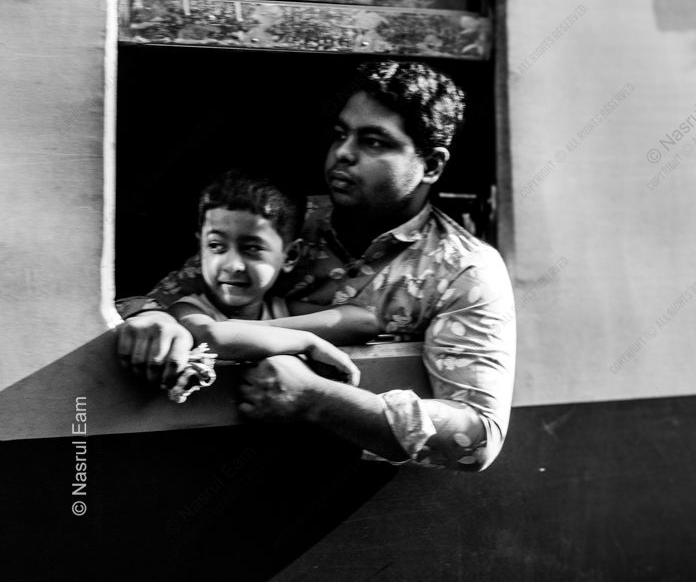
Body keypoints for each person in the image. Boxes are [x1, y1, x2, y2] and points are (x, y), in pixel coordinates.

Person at [116, 61, 516, 471]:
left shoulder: (463, 270)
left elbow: (477, 437)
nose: (343, 152)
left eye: (374, 141)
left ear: (431, 165)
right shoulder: (280, 224)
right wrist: (153, 318)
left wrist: (318, 399)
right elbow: (152, 300)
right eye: (342, 135)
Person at [161, 170, 377, 401]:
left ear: (290, 255)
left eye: (252, 248)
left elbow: (364, 322)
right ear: (200, 247)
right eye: (216, 246)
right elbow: (214, 336)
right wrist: (309, 342)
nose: (233, 265)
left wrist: (265, 328)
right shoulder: (188, 309)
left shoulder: (279, 310)